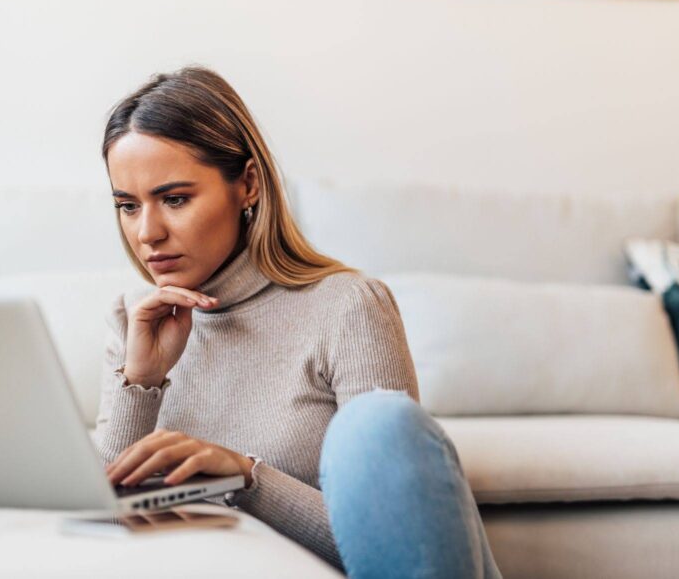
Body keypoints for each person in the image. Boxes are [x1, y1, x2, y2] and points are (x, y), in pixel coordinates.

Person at [94, 66, 502, 578]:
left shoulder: (347, 307)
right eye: (128, 206)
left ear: (248, 185)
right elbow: (98, 532)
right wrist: (142, 382)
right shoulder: (132, 322)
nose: (147, 232)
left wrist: (246, 478)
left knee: (381, 423)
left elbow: (392, 544)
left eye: (175, 199)